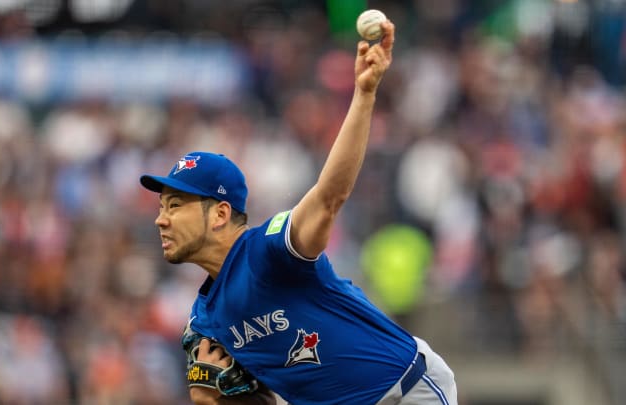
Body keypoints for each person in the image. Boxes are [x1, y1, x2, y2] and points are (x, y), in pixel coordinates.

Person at [139, 20, 457, 405]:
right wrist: (214, 397)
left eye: (176, 206)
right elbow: (219, 399)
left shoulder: (268, 249)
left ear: (220, 214)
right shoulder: (205, 321)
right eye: (162, 207)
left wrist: (364, 93)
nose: (161, 218)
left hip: (404, 391)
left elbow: (328, 198)